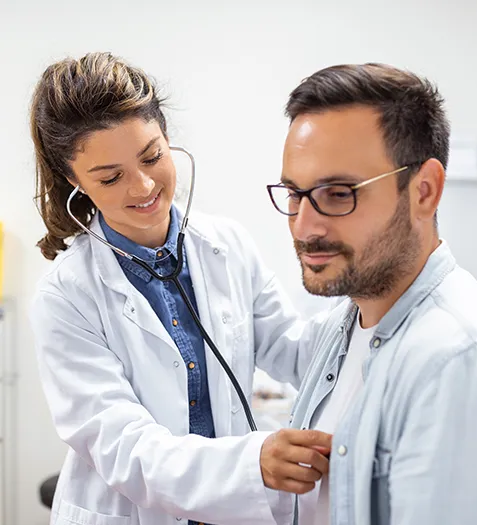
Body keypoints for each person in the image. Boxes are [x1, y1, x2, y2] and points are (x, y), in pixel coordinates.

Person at [29, 52, 332, 525]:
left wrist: (370, 296)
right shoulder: (65, 296)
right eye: (110, 177)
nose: (144, 185)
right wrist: (249, 464)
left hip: (231, 509)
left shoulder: (226, 245)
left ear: (168, 140)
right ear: (74, 181)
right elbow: (124, 446)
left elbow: (294, 351)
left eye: (152, 156)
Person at [267, 63, 477, 525]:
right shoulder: (345, 324)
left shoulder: (459, 358)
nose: (304, 225)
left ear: (424, 191)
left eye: (337, 194)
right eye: (295, 194)